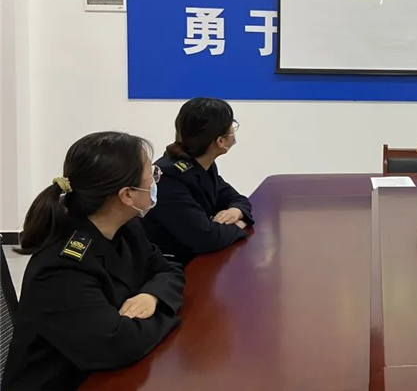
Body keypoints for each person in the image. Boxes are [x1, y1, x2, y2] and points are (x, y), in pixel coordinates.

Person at [2, 132, 185, 391]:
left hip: (101, 374)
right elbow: (117, 345)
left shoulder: (127, 228)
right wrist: (169, 313)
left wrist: (152, 297)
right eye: (151, 174)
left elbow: (169, 270)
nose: (157, 178)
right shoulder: (62, 268)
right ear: (127, 195)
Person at [143, 97, 254, 264]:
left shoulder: (203, 165)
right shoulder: (168, 177)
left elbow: (237, 199)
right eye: (232, 124)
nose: (233, 128)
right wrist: (239, 224)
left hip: (195, 259)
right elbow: (206, 238)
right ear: (221, 141)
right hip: (170, 266)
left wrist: (236, 212)